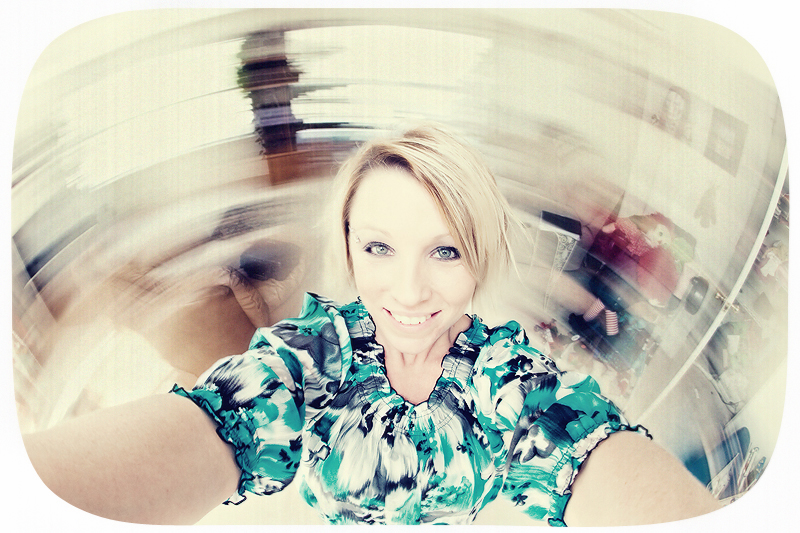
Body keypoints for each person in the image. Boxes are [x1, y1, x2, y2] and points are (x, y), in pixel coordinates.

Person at [22, 124, 720, 526]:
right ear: (350, 250)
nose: (409, 290)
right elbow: (215, 422)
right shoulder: (308, 361)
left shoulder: (509, 382)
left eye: (445, 251)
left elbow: (589, 451)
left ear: (480, 259)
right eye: (380, 247)